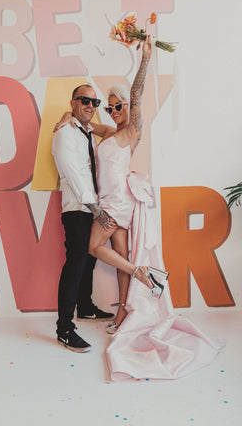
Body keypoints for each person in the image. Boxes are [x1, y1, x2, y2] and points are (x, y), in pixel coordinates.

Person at [55, 37, 222, 380]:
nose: (115, 111)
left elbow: (138, 95)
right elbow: (81, 123)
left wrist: (143, 60)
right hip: (110, 202)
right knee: (116, 258)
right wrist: (64, 115)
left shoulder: (131, 131)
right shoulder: (104, 132)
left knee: (92, 248)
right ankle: (122, 315)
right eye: (110, 106)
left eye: (119, 106)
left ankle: (141, 274)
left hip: (118, 204)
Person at [51, 84, 116, 353]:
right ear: (73, 101)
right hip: (78, 207)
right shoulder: (65, 134)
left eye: (95, 101)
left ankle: (85, 308)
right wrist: (96, 209)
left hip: (91, 207)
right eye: (84, 100)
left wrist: (75, 115)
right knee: (76, 262)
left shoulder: (86, 132)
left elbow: (115, 132)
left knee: (89, 258)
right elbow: (75, 176)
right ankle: (64, 329)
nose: (90, 105)